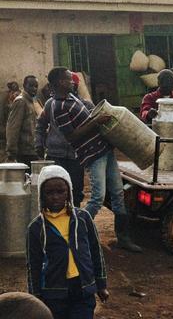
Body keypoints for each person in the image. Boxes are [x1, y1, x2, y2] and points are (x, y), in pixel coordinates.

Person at [47, 67, 141, 252]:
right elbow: (72, 136)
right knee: (97, 197)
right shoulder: (58, 106)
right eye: (68, 79)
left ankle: (123, 238)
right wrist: (96, 121)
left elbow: (86, 117)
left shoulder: (72, 98)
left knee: (117, 193)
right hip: (92, 153)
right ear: (59, 82)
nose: (72, 82)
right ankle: (76, 233)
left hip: (104, 149)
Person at [26, 165, 109, 318]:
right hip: (53, 293)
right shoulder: (36, 228)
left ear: (69, 192)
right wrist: (35, 295)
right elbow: (33, 264)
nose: (55, 197)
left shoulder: (83, 218)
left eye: (60, 191)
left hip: (83, 289)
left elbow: (95, 251)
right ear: (41, 195)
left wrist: (101, 284)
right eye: (49, 192)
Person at [35, 73, 93, 207]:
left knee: (76, 191)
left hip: (75, 156)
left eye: (75, 84)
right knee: (55, 192)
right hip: (56, 155)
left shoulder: (81, 105)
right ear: (62, 83)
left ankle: (73, 220)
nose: (73, 85)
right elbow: (41, 124)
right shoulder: (51, 104)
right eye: (71, 82)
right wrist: (39, 143)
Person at [5, 75, 39, 167]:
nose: (34, 89)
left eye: (36, 86)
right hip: (23, 152)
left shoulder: (31, 102)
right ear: (24, 86)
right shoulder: (21, 102)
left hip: (31, 150)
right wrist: (11, 152)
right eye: (31, 86)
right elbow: (13, 128)